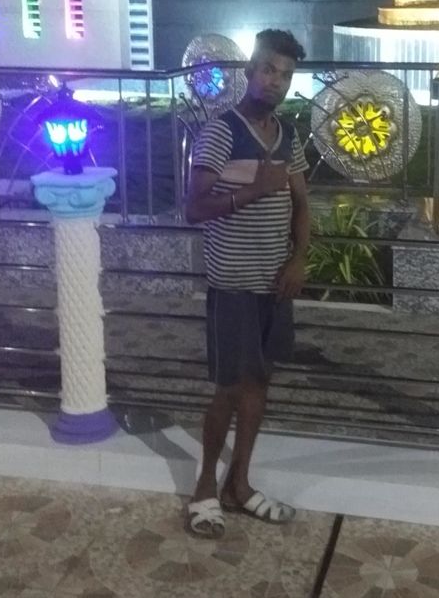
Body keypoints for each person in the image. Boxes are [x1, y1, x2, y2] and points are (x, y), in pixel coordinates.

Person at [184, 28, 310, 539]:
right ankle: (204, 489)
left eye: (285, 75)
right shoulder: (219, 132)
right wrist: (253, 191)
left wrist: (299, 259)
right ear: (249, 71)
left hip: (274, 285)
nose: (275, 81)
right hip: (233, 285)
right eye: (268, 70)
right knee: (228, 389)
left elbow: (302, 204)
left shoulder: (287, 135)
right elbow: (194, 208)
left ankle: (240, 484)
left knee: (259, 384)